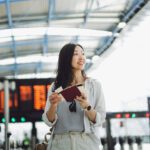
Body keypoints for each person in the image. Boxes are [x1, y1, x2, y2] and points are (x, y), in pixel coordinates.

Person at [42, 43, 106, 150]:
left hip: (86, 143)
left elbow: (100, 119)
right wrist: (53, 105)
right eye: (76, 54)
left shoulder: (94, 86)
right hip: (60, 143)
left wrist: (86, 106)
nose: (81, 57)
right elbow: (48, 121)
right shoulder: (56, 86)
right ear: (66, 59)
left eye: (83, 54)